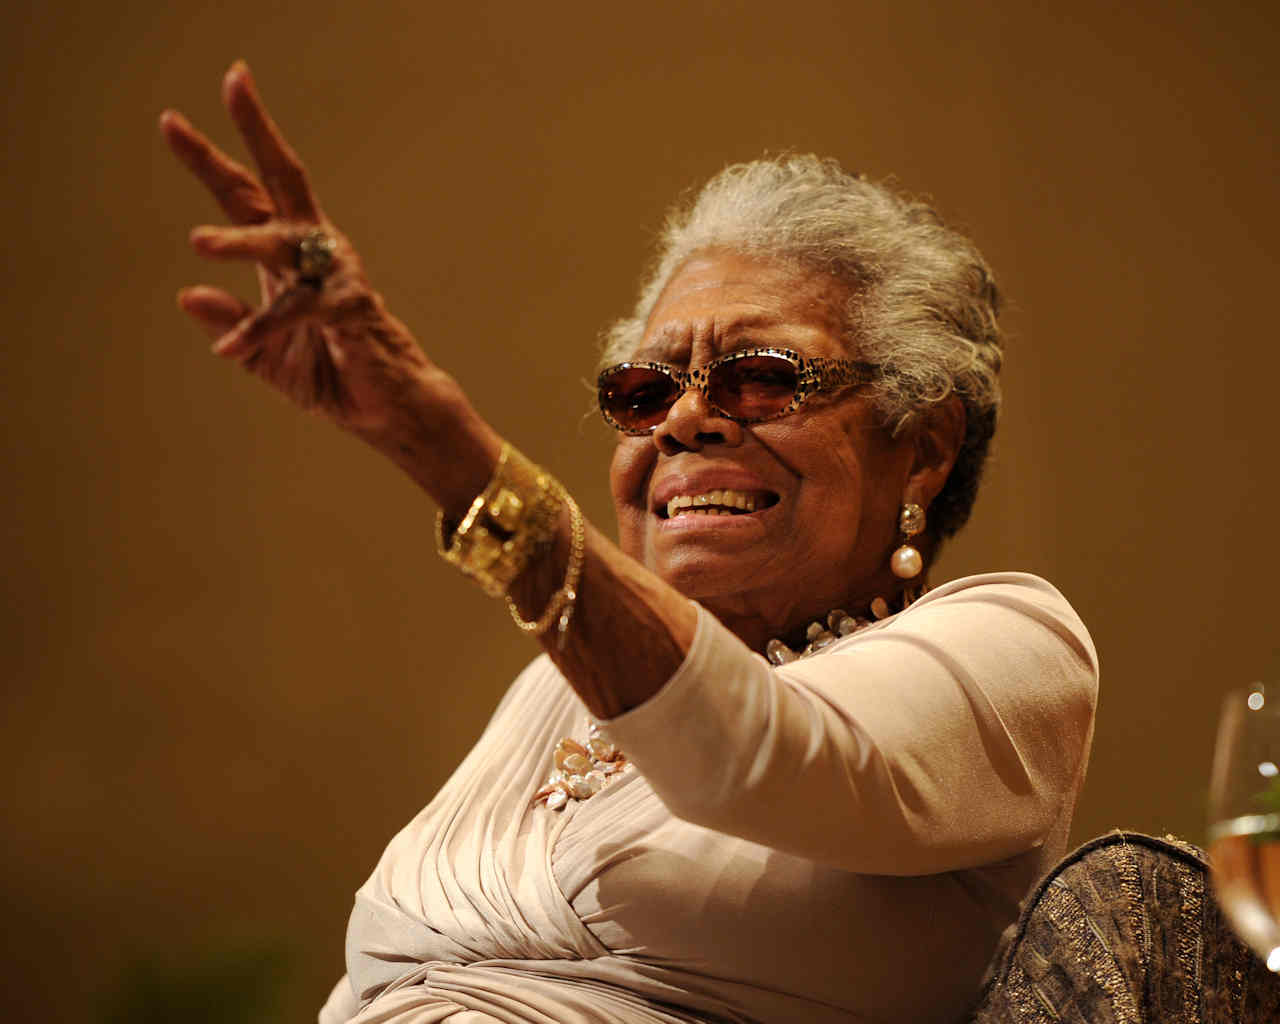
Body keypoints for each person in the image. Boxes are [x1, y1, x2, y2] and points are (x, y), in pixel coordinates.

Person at [161, 62, 1098, 1024]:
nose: (683, 422)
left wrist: (447, 448)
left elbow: (754, 757)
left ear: (925, 443)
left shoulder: (1016, 650)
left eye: (762, 376)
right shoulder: (557, 687)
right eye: (642, 393)